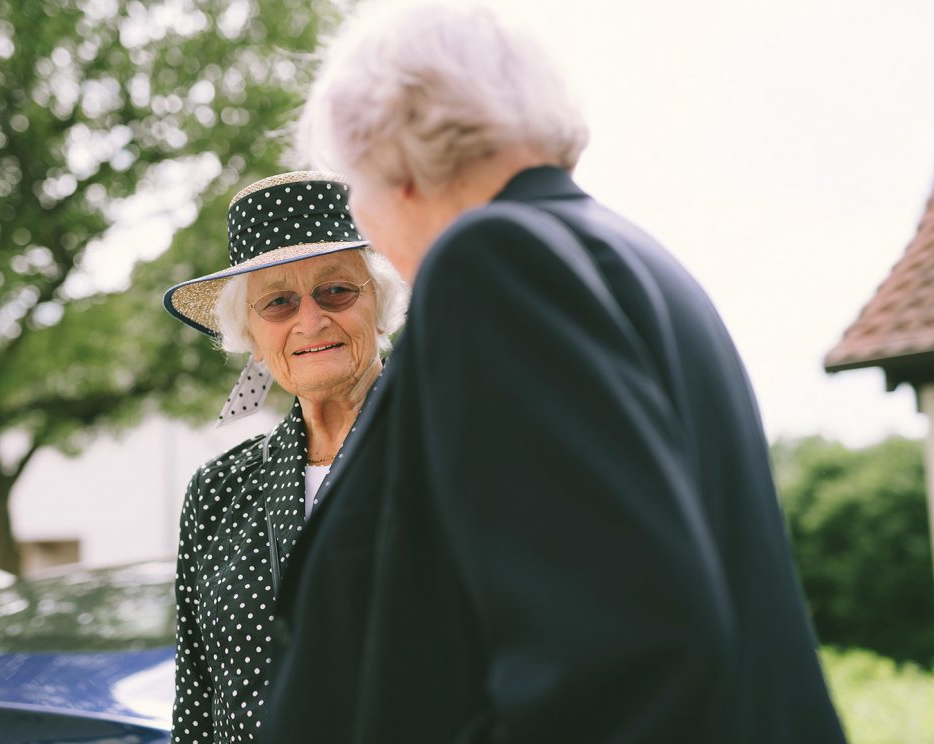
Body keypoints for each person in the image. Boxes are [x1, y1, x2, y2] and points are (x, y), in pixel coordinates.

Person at [261, 3, 848, 743]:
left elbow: (619, 664)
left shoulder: (494, 263)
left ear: (391, 153)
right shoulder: (635, 261)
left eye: (352, 182)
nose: (359, 211)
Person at [162, 170, 408, 742]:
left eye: (336, 291)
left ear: (378, 300)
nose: (311, 320)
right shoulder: (219, 489)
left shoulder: (445, 452)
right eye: (278, 302)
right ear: (250, 332)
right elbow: (196, 700)